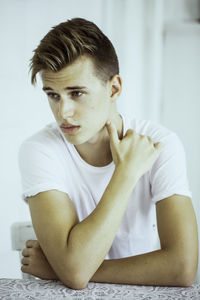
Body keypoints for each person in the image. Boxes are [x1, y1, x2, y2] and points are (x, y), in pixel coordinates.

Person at [18, 18, 198, 289]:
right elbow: (75, 275)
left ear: (114, 88)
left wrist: (64, 269)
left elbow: (183, 269)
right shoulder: (39, 150)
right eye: (53, 95)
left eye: (76, 93)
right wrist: (125, 174)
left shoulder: (159, 145)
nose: (62, 112)